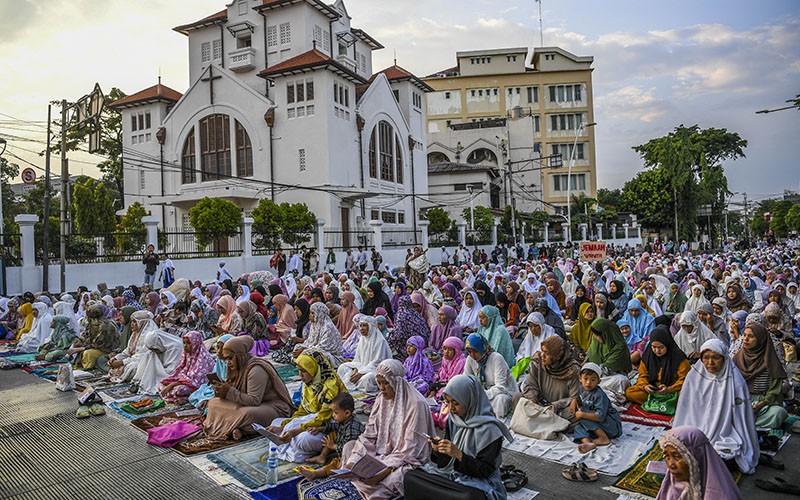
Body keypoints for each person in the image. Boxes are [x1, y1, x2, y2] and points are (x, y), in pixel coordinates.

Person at [341, 359, 435, 500]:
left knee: (399, 477)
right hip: (379, 454)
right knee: (350, 447)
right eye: (379, 383)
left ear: (396, 381)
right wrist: (353, 461)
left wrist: (382, 472)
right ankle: (363, 480)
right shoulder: (381, 399)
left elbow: (411, 452)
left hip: (404, 461)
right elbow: (369, 435)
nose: (382, 388)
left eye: (386, 383)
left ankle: (369, 486)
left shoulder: (416, 404)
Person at [409, 374, 514, 500]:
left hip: (479, 481)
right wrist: (439, 451)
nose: (451, 407)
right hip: (454, 475)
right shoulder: (453, 420)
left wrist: (459, 455)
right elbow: (446, 465)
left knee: (469, 497)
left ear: (470, 399)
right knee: (411, 477)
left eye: (456, 402)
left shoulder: (490, 430)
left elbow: (485, 470)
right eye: (448, 402)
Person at [673, 339, 759, 474]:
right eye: (706, 358)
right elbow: (686, 410)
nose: (710, 363)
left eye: (715, 358)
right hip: (695, 429)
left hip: (724, 435)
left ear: (724, 358)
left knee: (725, 459)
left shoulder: (736, 383)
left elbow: (741, 420)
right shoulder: (694, 377)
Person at [204, 336, 293, 441]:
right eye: (226, 359)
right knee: (213, 403)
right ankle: (236, 427)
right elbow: (235, 392)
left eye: (230, 358)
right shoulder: (236, 367)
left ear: (239, 356)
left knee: (247, 414)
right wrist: (222, 390)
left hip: (272, 406)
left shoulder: (256, 369)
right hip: (246, 403)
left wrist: (229, 391)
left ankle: (240, 429)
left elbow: (254, 400)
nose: (228, 362)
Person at [269, 350, 348, 462]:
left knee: (303, 439)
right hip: (311, 424)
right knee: (276, 423)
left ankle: (323, 451)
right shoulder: (308, 384)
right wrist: (283, 426)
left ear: (314, 369)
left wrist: (294, 431)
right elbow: (303, 411)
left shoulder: (331, 386)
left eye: (304, 371)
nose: (300, 375)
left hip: (330, 427)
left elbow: (322, 418)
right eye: (299, 370)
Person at [656, 426, 743, 500]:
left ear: (697, 457)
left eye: (677, 457)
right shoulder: (672, 487)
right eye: (667, 456)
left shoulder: (719, 495)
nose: (671, 465)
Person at [299, 392, 367, 479]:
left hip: (353, 454)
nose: (333, 415)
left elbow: (348, 448)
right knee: (332, 433)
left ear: (347, 413)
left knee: (336, 464)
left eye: (335, 412)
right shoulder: (343, 421)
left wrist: (332, 446)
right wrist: (320, 428)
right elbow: (333, 426)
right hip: (343, 445)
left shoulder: (352, 428)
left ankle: (315, 474)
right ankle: (322, 456)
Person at [732, 324, 788, 429]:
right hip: (740, 401)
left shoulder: (770, 360)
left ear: (761, 340)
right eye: (744, 335)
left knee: (779, 413)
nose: (745, 339)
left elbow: (774, 390)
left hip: (763, 403)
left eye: (751, 336)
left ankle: (745, 423)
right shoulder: (737, 358)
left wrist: (760, 405)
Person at [518, 335, 582, 424]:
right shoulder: (538, 361)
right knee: (517, 398)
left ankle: (539, 421)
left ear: (557, 356)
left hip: (558, 409)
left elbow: (574, 397)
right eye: (542, 351)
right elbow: (530, 384)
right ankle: (543, 420)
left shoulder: (571, 370)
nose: (542, 355)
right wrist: (533, 399)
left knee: (576, 412)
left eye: (547, 354)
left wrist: (556, 405)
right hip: (540, 403)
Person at [625, 326, 691, 405]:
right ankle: (665, 402)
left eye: (661, 347)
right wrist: (645, 386)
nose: (657, 351)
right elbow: (642, 375)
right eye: (654, 347)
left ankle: (657, 401)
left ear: (667, 344)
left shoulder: (679, 358)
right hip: (654, 390)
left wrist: (669, 389)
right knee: (630, 392)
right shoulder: (648, 356)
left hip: (672, 390)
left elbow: (685, 380)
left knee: (685, 395)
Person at [570, 362, 622, 453]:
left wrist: (582, 414)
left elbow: (600, 416)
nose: (588, 383)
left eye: (593, 380)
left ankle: (603, 438)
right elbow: (580, 399)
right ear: (580, 379)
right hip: (599, 426)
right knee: (578, 427)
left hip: (611, 425)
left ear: (599, 381)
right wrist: (574, 401)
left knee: (582, 416)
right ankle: (588, 443)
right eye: (585, 379)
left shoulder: (599, 395)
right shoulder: (582, 389)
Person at [463, 334, 518, 418]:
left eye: (475, 351)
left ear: (482, 348)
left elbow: (501, 387)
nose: (472, 355)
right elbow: (466, 380)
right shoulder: (470, 359)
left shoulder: (496, 358)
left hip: (504, 393)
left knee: (500, 401)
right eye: (469, 352)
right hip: (485, 393)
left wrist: (482, 396)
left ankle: (498, 422)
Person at [338, 316, 393, 393]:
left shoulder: (380, 341)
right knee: (342, 367)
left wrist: (361, 372)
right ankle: (356, 383)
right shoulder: (362, 339)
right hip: (362, 367)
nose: (361, 328)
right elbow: (357, 359)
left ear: (371, 327)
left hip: (375, 370)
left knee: (368, 379)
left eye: (364, 325)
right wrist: (355, 369)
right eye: (360, 326)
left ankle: (357, 384)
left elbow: (377, 363)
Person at [158, 331, 216, 403]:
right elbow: (180, 371)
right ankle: (179, 397)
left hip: (197, 387)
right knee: (161, 384)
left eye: (188, 343)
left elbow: (195, 381)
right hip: (184, 382)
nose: (185, 346)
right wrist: (170, 383)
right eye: (184, 343)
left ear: (195, 343)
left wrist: (172, 385)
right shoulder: (188, 355)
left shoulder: (204, 358)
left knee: (180, 390)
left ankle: (184, 398)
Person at [586, 318, 632, 396]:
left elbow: (607, 369)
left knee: (622, 380)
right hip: (595, 376)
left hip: (611, 377)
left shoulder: (620, 347)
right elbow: (590, 358)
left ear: (605, 334)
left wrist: (592, 377)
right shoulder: (596, 342)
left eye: (597, 335)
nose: (595, 338)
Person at [189, 334, 234, 410]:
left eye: (222, 349)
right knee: (195, 395)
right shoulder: (220, 361)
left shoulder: (234, 363)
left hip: (228, 391)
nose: (219, 352)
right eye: (218, 348)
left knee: (211, 406)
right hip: (216, 387)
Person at [293, 302, 345, 368]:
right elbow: (310, 341)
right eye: (310, 313)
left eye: (312, 313)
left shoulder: (328, 327)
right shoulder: (314, 325)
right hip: (315, 349)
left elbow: (323, 347)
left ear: (319, 314)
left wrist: (305, 350)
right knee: (297, 347)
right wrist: (302, 347)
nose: (310, 315)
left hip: (332, 357)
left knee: (314, 354)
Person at [513, 312, 557, 379]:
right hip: (529, 372)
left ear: (541, 325)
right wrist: (521, 360)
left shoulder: (551, 336)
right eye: (530, 326)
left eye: (536, 326)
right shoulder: (529, 337)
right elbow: (520, 353)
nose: (533, 329)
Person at [388, 296, 430, 361]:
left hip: (411, 346)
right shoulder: (416, 314)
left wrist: (389, 338)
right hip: (423, 344)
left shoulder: (401, 315)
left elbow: (398, 335)